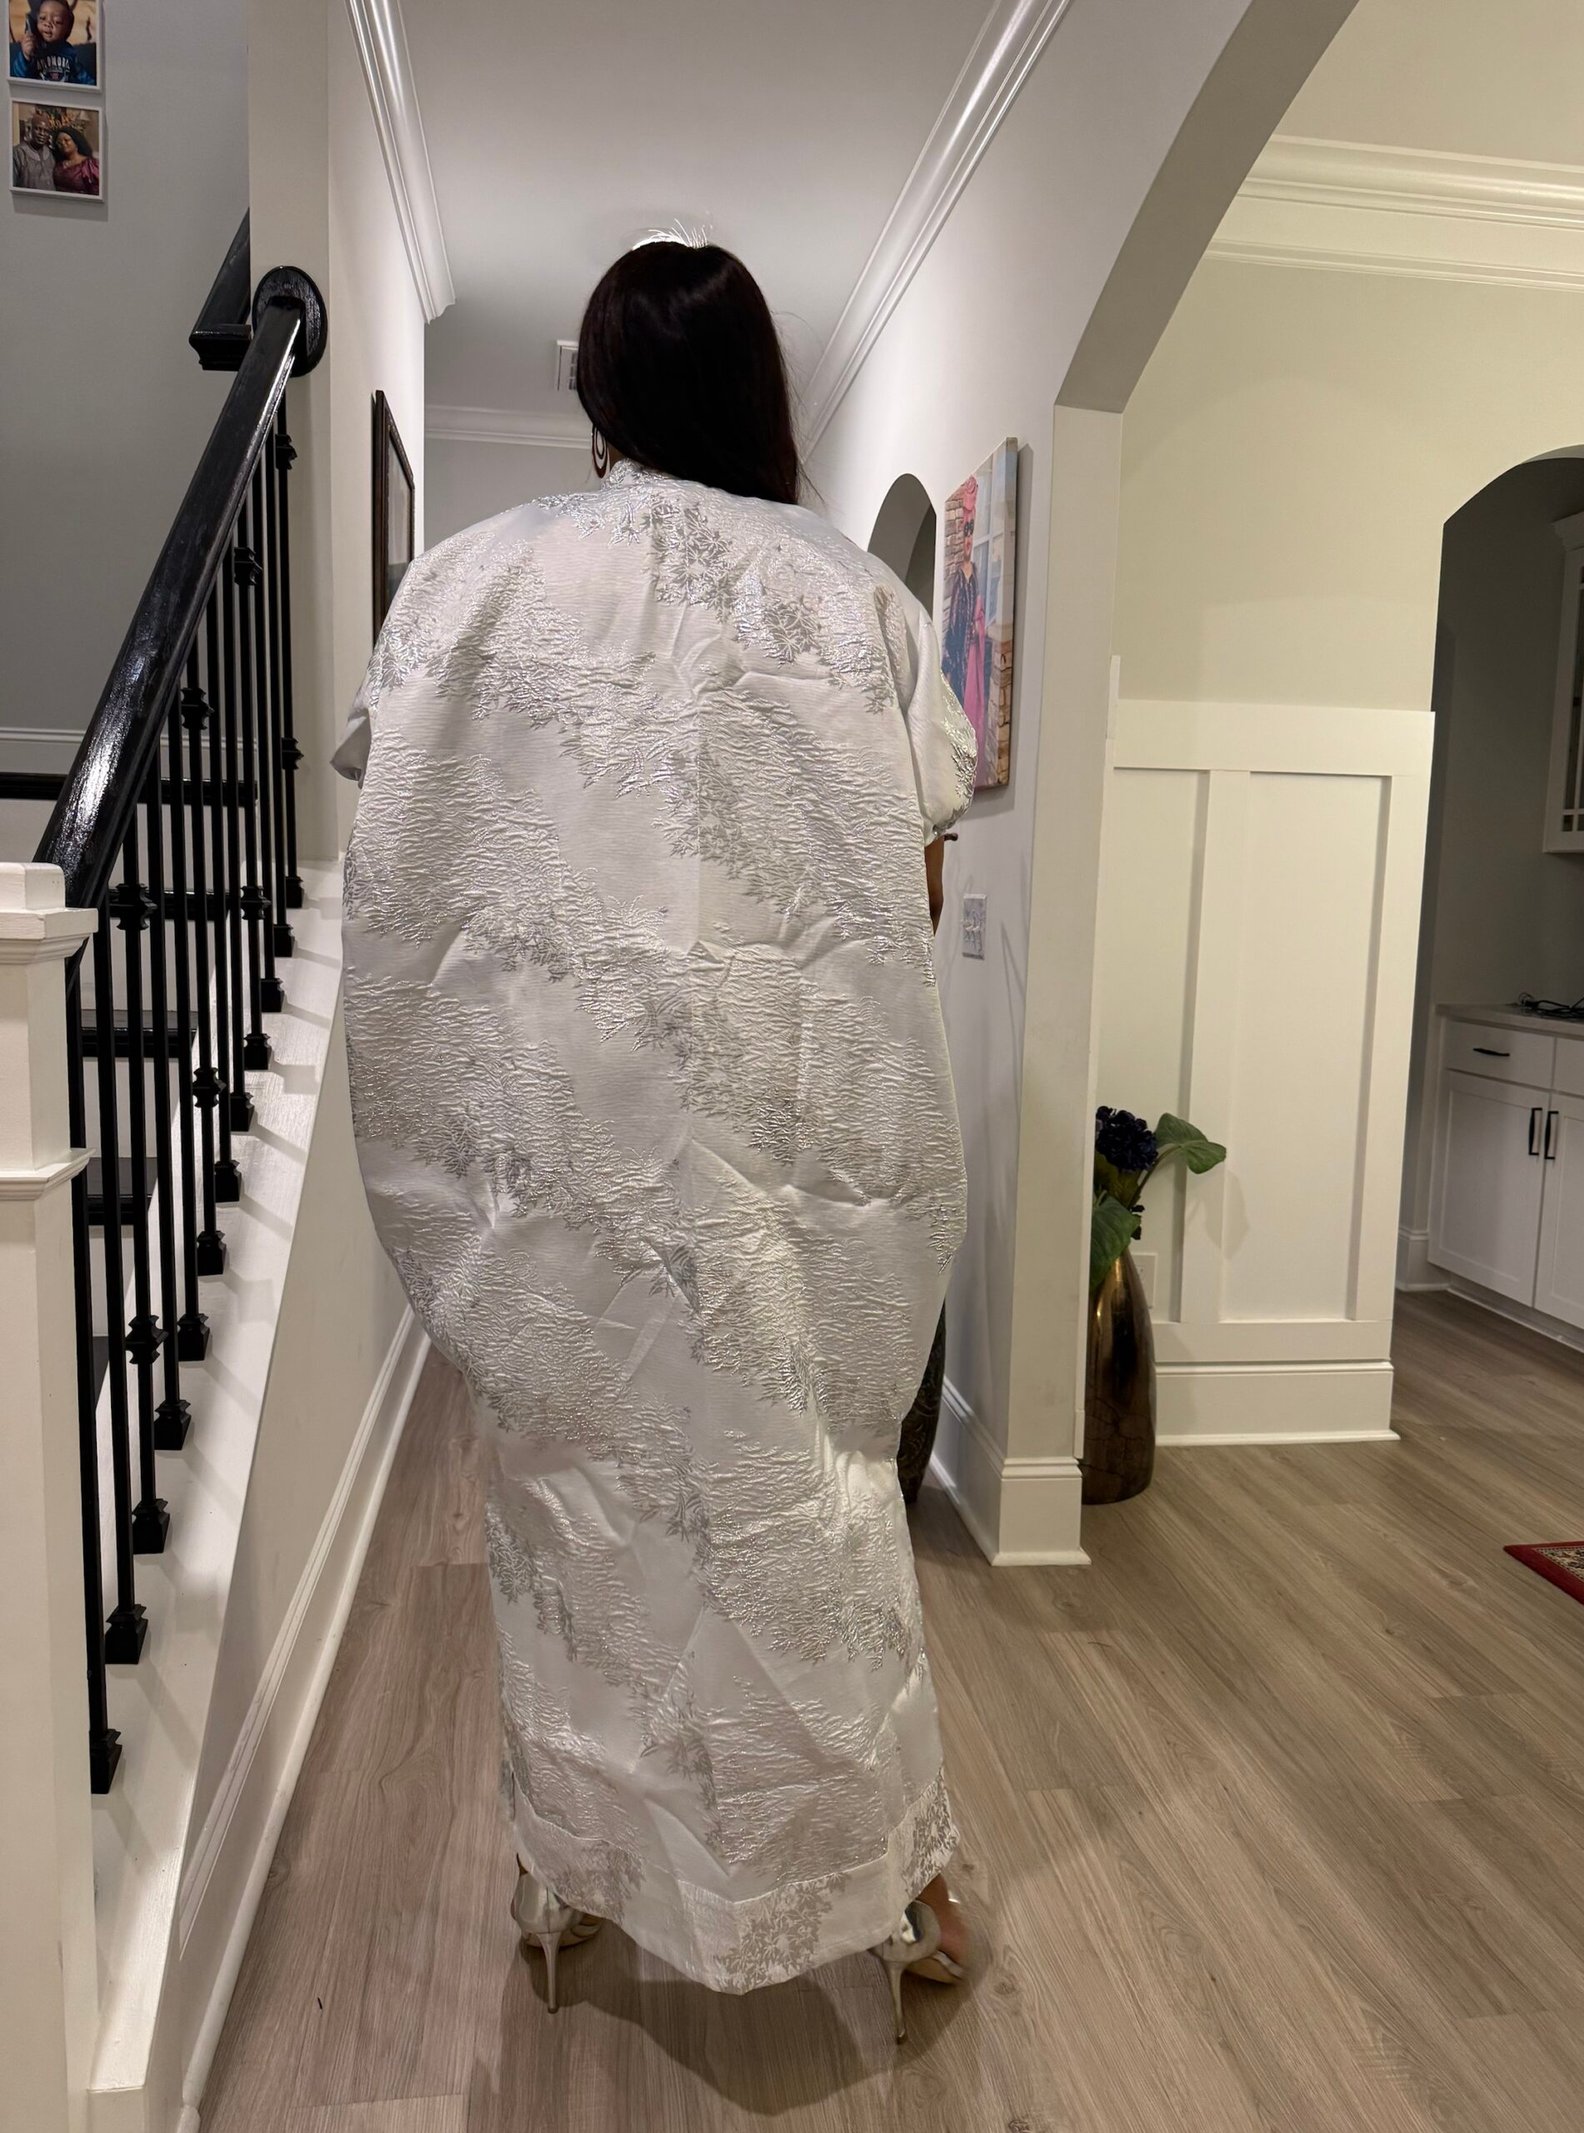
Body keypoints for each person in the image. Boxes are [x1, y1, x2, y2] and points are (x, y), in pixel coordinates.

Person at [337, 241, 975, 2030]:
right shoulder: (855, 600)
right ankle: (896, 1886)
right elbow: (912, 897)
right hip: (788, 1155)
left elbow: (416, 874)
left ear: (599, 389)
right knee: (814, 1514)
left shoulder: (468, 583)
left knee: (580, 1511)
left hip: (567, 1160)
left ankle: (570, 1869)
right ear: (760, 385)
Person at [940, 477, 990, 776]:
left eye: (971, 532)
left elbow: (977, 612)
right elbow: (953, 622)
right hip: (958, 654)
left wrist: (977, 628)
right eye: (965, 533)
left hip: (971, 653)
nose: (968, 540)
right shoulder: (959, 576)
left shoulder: (977, 573)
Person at [10, 3, 97, 86]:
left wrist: (92, 87)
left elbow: (82, 76)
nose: (48, 24)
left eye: (57, 21)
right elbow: (19, 75)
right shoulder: (33, 50)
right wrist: (25, 56)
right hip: (37, 94)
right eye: (42, 18)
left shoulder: (69, 52)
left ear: (67, 29)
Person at [10, 107, 55, 189]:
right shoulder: (18, 152)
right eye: (38, 129)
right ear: (30, 129)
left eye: (46, 131)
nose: (42, 133)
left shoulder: (50, 153)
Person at [49, 121, 97, 193]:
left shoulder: (89, 164)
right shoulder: (58, 163)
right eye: (59, 142)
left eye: (66, 140)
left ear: (76, 141)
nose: (63, 143)